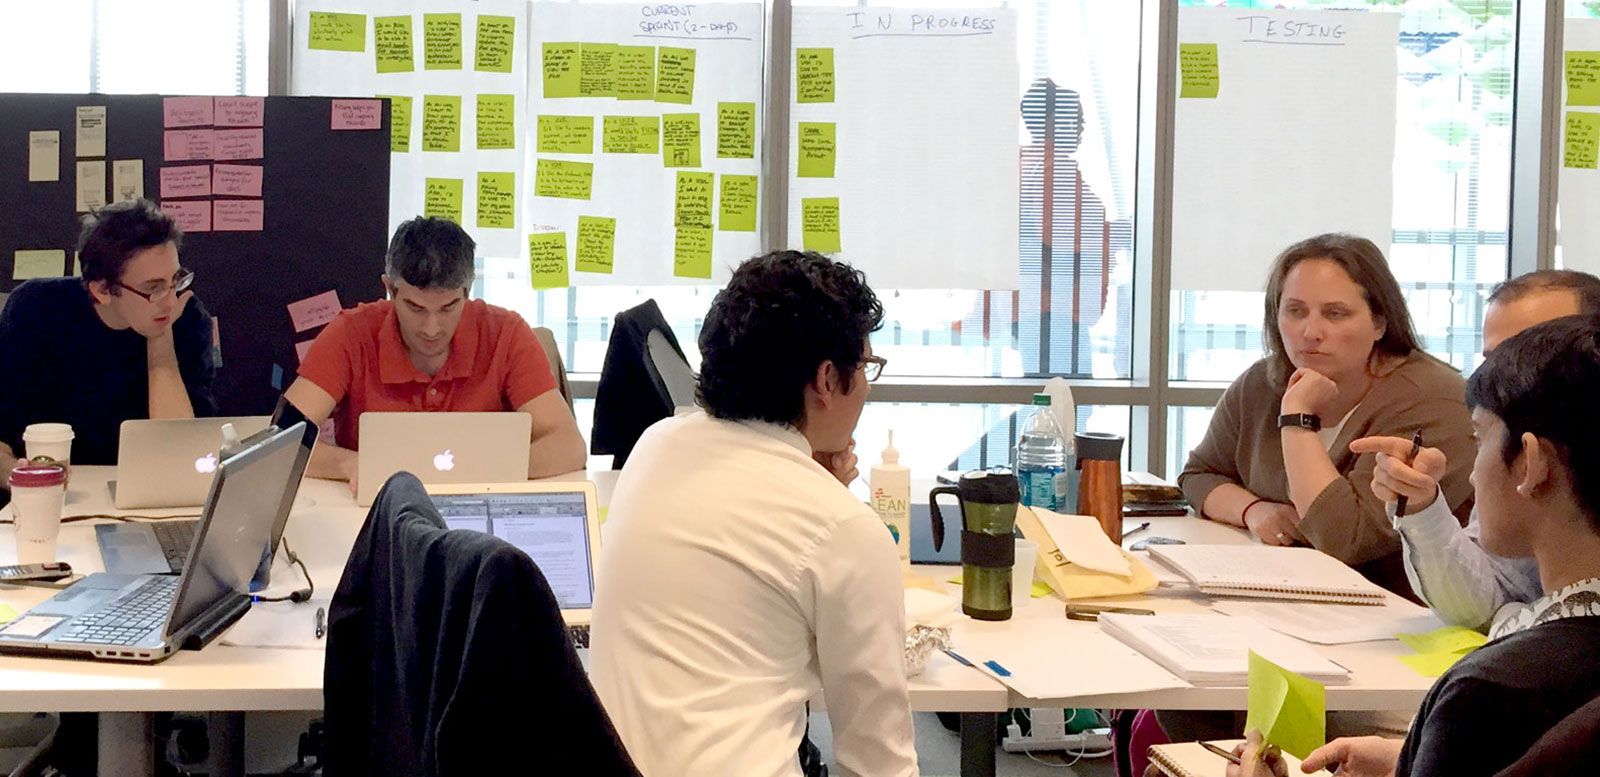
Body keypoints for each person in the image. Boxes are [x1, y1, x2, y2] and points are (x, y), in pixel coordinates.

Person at [1225, 315, 1600, 777]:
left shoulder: (1491, 691)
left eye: (1480, 438)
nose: (1474, 470)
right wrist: (1408, 761)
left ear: (1531, 464)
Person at [588, 250, 915, 777]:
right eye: (867, 367)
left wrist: (816, 486)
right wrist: (826, 502)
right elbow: (879, 762)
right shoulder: (845, 530)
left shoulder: (655, 446)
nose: (869, 387)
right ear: (828, 380)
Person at [1178, 233, 1476, 597]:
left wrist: (1297, 420)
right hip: (1283, 596)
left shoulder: (1433, 399)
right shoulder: (1264, 381)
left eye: (1335, 314)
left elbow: (1342, 539)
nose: (1311, 333)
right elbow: (1199, 475)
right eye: (1295, 311)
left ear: (1380, 322)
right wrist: (1253, 511)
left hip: (1396, 620)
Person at [1352, 270, 1600, 630]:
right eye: (1493, 358)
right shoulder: (1509, 445)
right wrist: (1421, 508)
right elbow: (1481, 603)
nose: (1502, 375)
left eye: (1533, 348)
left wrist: (1511, 622)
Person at [282, 217, 584, 488]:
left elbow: (569, 445)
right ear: (390, 289)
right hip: (375, 512)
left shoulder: (506, 333)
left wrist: (485, 469)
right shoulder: (352, 333)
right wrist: (350, 464)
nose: (431, 328)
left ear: (467, 290)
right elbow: (282, 441)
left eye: (448, 307)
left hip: (478, 506)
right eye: (415, 307)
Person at [0, 199, 216, 477]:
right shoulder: (36, 309)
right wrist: (14, 472)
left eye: (176, 280)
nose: (171, 300)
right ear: (103, 290)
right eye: (154, 288)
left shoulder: (186, 316)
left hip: (145, 490)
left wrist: (160, 339)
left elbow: (180, 451)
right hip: (45, 493)